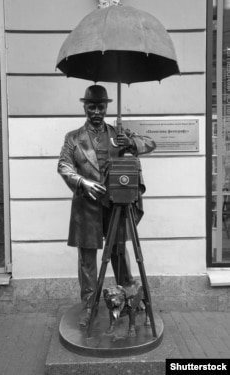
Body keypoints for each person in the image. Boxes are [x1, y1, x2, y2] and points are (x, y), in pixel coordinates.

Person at [58, 85, 156, 327]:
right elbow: (64, 166)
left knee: (119, 254)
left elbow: (151, 144)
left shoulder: (117, 134)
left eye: (100, 106)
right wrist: (84, 183)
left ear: (106, 107)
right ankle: (89, 307)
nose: (96, 111)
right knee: (88, 261)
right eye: (91, 106)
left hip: (115, 205)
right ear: (84, 107)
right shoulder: (73, 138)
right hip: (87, 206)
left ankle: (128, 300)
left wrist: (131, 142)